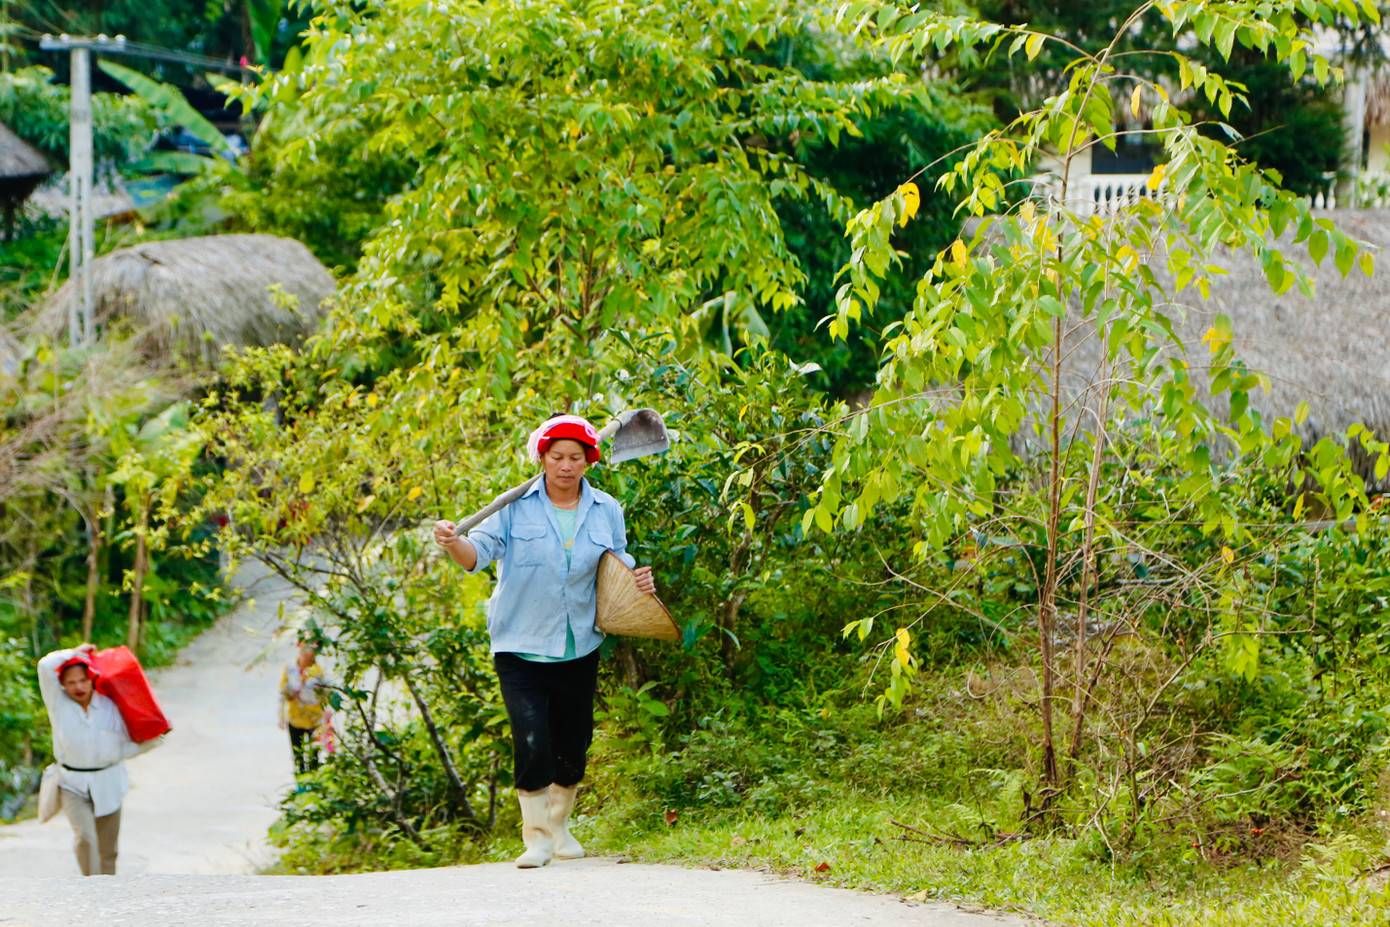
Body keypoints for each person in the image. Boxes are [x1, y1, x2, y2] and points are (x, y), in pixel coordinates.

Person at [433, 413, 656, 868]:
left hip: (580, 643)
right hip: (519, 644)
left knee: (573, 747)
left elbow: (616, 565)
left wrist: (638, 581)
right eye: (557, 457)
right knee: (532, 741)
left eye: (576, 457)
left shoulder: (607, 509)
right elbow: (475, 557)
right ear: (543, 458)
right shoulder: (512, 507)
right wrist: (452, 541)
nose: (566, 466)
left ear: (589, 461)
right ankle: (534, 837)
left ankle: (559, 826)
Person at [36, 643, 161, 876]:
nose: (78, 687)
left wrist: (155, 737)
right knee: (85, 838)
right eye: (71, 682)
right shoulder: (58, 704)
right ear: (62, 685)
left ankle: (108, 894)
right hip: (72, 782)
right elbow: (45, 665)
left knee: (108, 848)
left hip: (109, 781)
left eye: (83, 680)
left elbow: (124, 747)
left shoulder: (110, 707)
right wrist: (75, 652)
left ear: (93, 679)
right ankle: (90, 887)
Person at [278, 642, 329, 775]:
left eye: (309, 648)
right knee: (298, 756)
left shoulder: (319, 672)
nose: (305, 651)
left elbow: (326, 695)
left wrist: (327, 716)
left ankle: (314, 789)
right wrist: (280, 716)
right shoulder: (290, 668)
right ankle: (301, 790)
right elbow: (282, 692)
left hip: (315, 720)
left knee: (314, 757)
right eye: (303, 647)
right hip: (295, 719)